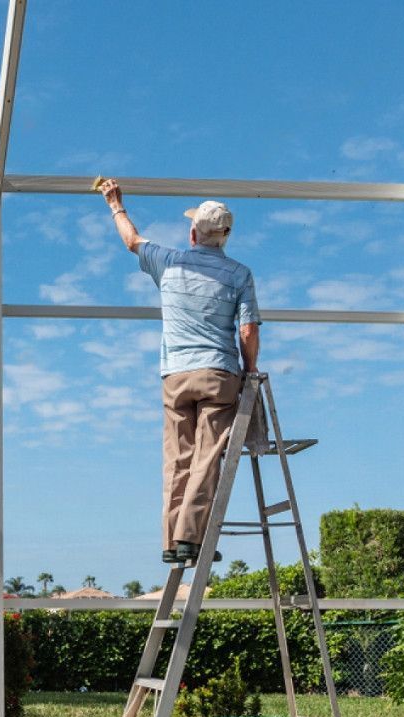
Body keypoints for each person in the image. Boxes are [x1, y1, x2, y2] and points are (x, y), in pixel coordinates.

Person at [98, 178, 261, 563]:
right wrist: (249, 369)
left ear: (193, 233)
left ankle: (172, 542)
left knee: (178, 458)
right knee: (208, 457)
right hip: (219, 373)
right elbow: (248, 329)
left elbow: (132, 240)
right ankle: (191, 537)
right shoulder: (239, 275)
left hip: (175, 376)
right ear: (225, 237)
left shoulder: (169, 262)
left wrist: (115, 204)